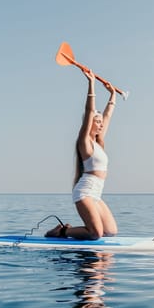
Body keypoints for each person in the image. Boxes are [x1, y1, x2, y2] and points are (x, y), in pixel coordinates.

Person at [46, 69, 118, 240]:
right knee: (95, 234)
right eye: (97, 122)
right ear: (90, 123)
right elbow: (89, 111)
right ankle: (61, 232)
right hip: (84, 192)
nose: (100, 124)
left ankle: (68, 229)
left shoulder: (99, 143)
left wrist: (113, 95)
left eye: (101, 122)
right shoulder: (84, 143)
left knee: (111, 232)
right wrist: (91, 84)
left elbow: (108, 116)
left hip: (96, 194)